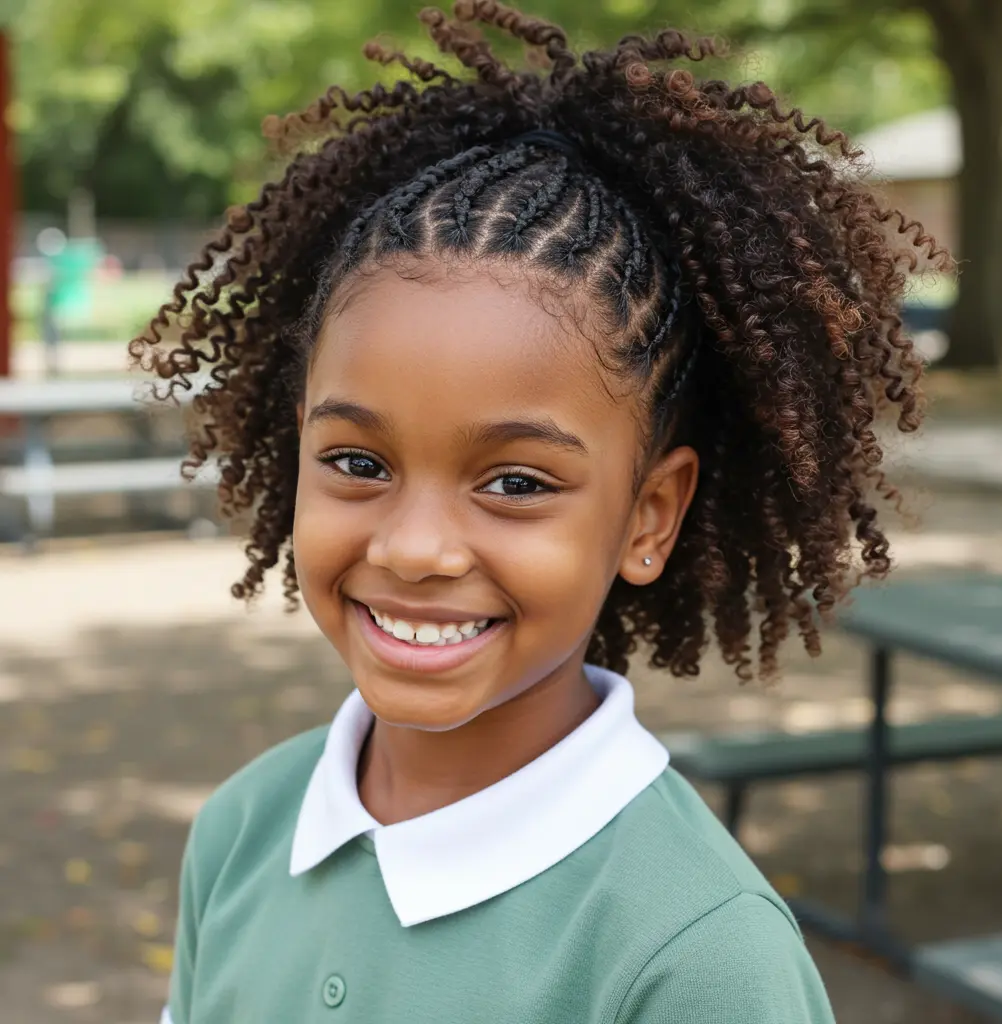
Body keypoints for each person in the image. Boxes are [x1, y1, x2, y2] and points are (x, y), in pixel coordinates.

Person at [132, 3, 949, 1022]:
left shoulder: (699, 959)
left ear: (650, 517)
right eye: (357, 462)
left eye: (515, 482)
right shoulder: (241, 833)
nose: (415, 547)